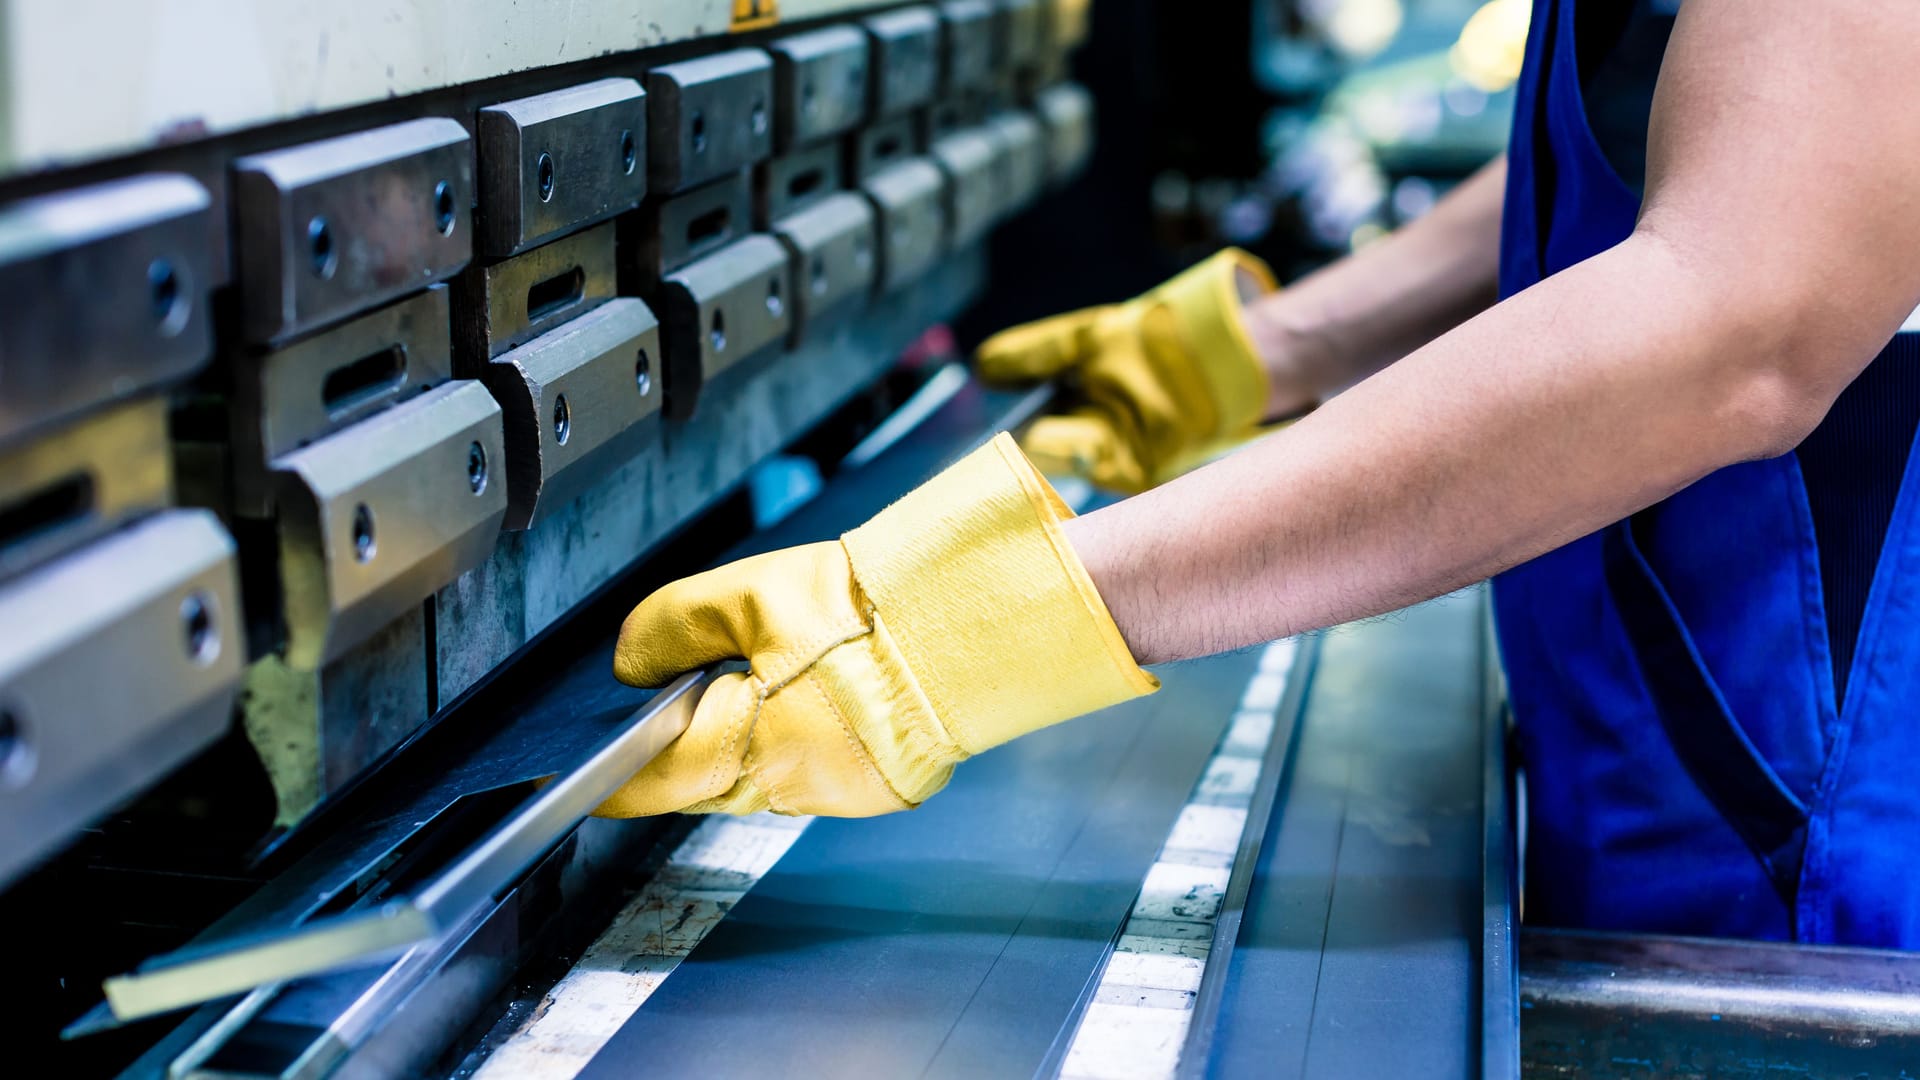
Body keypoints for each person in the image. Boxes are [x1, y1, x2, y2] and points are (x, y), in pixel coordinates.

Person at [596, 0, 1920, 949]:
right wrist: (1263, 351)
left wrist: (976, 630)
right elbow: (1712, 128)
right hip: (1677, 761)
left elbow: (1747, 325)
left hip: (1827, 835)